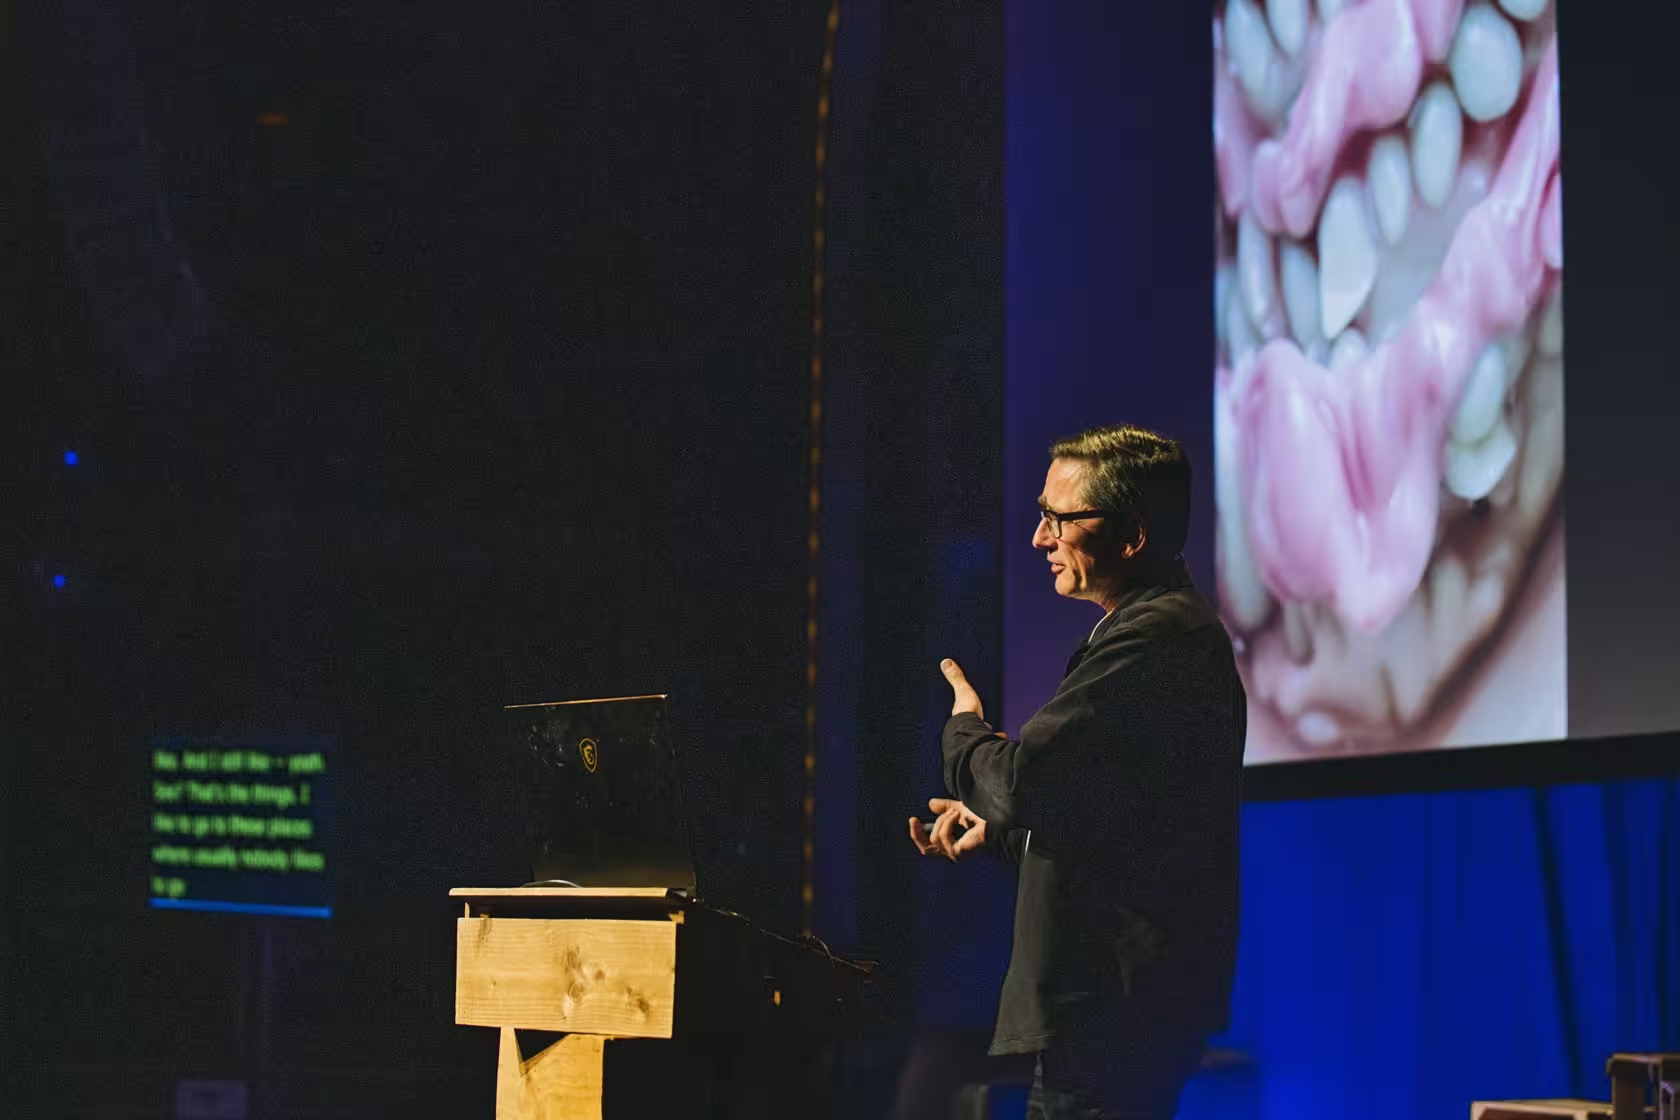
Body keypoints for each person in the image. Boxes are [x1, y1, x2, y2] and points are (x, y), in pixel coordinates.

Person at [909, 424, 1247, 1120]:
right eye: (1042, 516)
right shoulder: (1147, 633)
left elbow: (1024, 781)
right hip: (1111, 1012)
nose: (1040, 539)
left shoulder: (1157, 639)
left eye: (1060, 520)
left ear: (1131, 536)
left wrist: (963, 732)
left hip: (1116, 1012)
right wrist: (997, 828)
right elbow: (1096, 807)